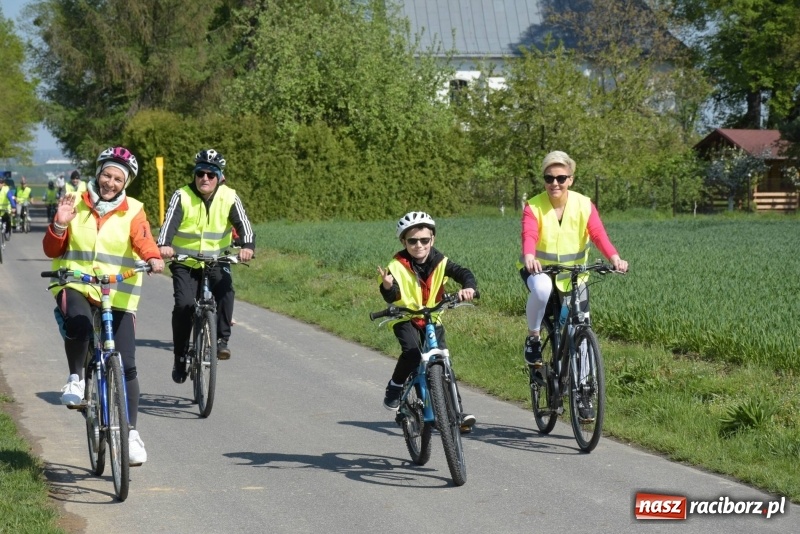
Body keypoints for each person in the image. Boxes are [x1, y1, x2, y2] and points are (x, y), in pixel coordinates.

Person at [43, 146, 165, 465]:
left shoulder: (133, 209)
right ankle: (75, 378)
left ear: (126, 183)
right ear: (98, 174)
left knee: (127, 365)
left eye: (118, 178)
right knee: (80, 325)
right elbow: (51, 249)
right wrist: (59, 225)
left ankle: (131, 433)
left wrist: (153, 257)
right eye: (107, 175)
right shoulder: (75, 200)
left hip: (117, 292)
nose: (110, 182)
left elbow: (143, 239)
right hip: (77, 283)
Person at [519, 151, 628, 417]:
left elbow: (598, 233)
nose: (554, 183)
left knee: (581, 331)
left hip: (575, 276)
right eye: (549, 178)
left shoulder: (583, 204)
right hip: (542, 272)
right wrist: (530, 256)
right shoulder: (534, 206)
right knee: (542, 290)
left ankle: (584, 394)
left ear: (570, 179)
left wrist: (614, 257)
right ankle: (533, 338)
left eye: (561, 178)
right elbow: (529, 234)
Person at [157, 148, 255, 384]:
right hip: (185, 262)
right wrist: (164, 245)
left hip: (216, 260)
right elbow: (168, 225)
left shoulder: (229, 197)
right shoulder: (181, 195)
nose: (205, 178)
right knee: (184, 305)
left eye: (211, 175)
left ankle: (221, 341)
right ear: (195, 174)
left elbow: (244, 225)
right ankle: (180, 356)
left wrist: (248, 246)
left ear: (219, 177)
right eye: (200, 173)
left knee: (226, 291)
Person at [378, 211, 478, 433]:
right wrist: (387, 286)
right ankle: (395, 387)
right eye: (412, 241)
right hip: (405, 318)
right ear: (403, 242)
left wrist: (469, 287)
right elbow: (391, 294)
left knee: (442, 361)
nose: (419, 245)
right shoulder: (396, 266)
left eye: (424, 240)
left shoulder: (440, 261)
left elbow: (463, 273)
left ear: (432, 239)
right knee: (413, 353)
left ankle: (456, 413)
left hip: (432, 317)